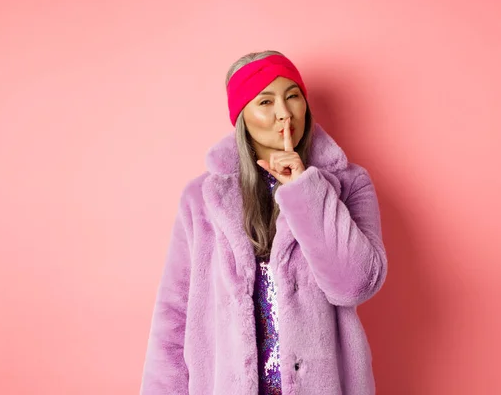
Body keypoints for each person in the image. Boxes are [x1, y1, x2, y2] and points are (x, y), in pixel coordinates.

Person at [139, 50, 388, 395]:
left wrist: (305, 189)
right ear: (243, 116)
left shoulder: (348, 183)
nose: (284, 114)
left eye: (293, 97)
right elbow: (174, 316)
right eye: (265, 102)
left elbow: (355, 284)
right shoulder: (202, 198)